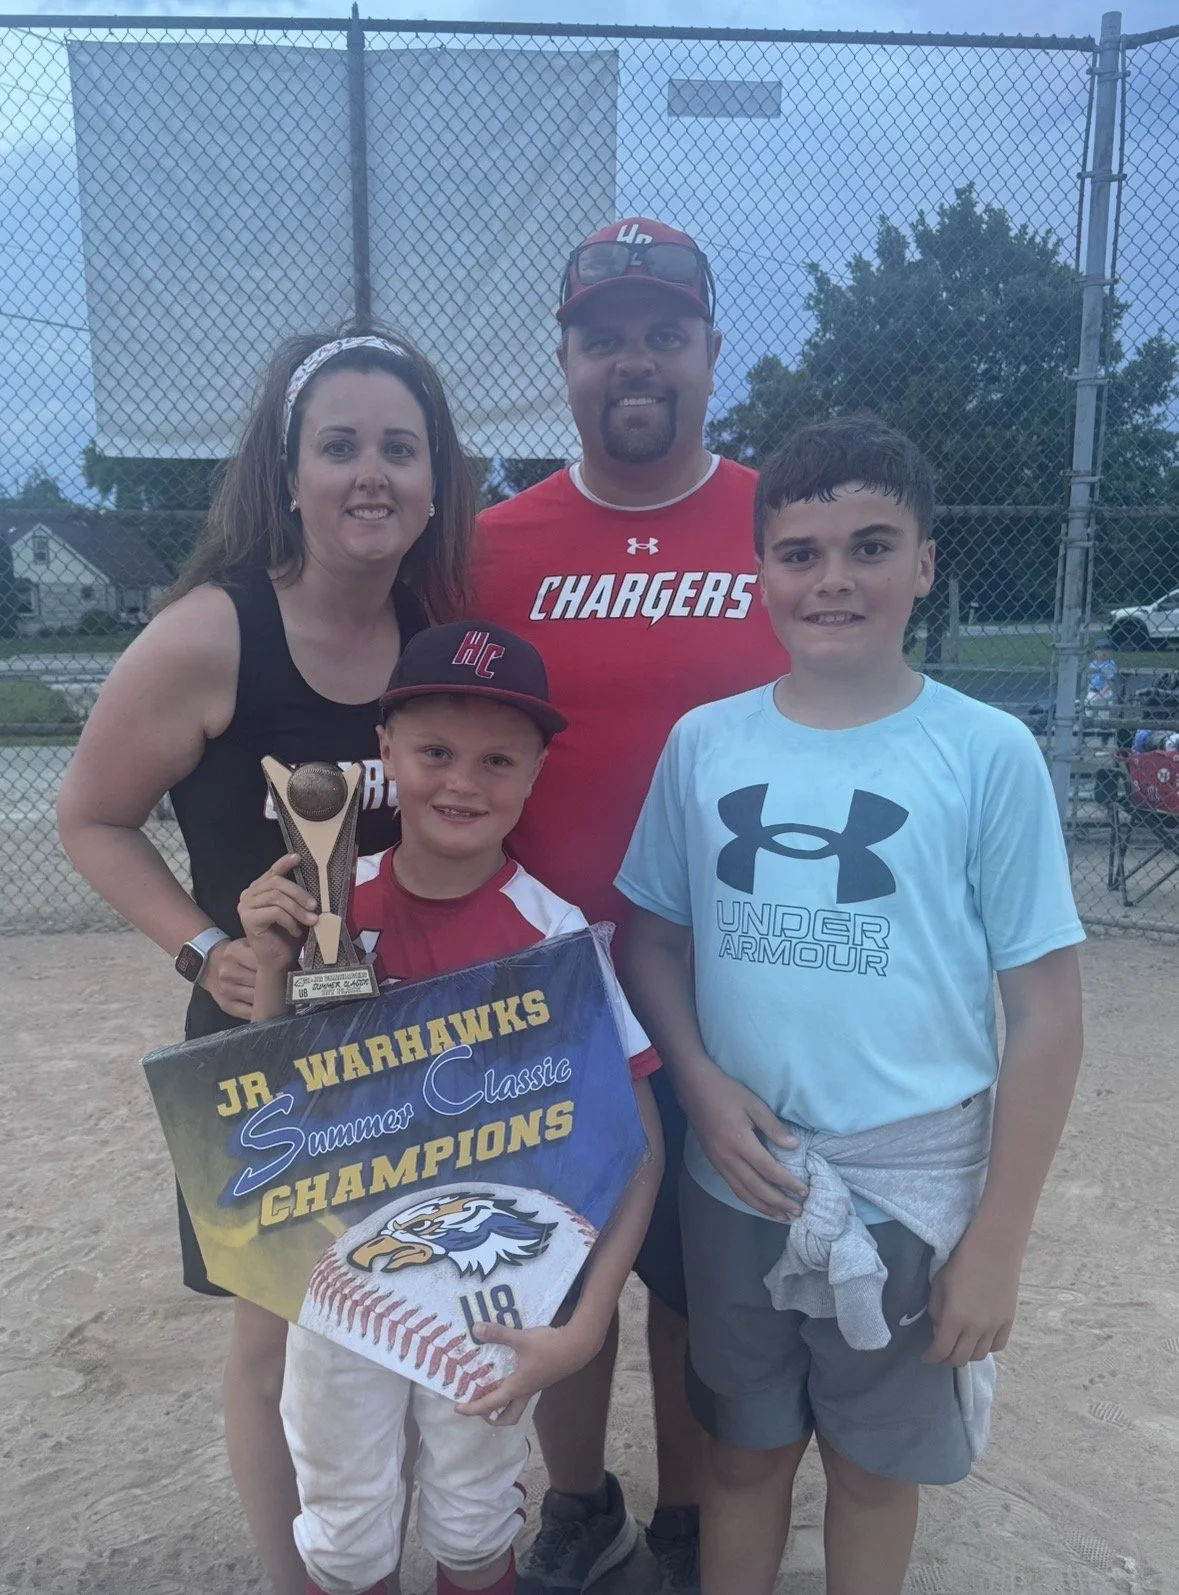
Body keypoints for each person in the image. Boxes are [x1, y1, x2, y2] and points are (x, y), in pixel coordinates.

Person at [615, 416, 1086, 1595]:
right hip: (739, 1181)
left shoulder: (985, 754)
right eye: (801, 551)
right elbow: (653, 943)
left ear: (927, 562)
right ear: (761, 570)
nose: (834, 579)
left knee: (876, 1476)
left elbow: (1046, 1012)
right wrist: (705, 1088)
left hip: (907, 1202)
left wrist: (998, 1243)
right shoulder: (705, 745)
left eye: (872, 546)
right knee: (741, 1454)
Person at [57, 329, 474, 1595]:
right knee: (281, 1336)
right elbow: (91, 814)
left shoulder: (436, 635)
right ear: (286, 473)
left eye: (399, 449)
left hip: (409, 1046)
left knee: (411, 1319)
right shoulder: (212, 632)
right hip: (265, 1044)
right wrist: (205, 948)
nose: (371, 474)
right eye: (338, 445)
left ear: (435, 478)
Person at [474, 217, 786, 1595]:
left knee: (694, 1282)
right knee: (558, 1265)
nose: (634, 361)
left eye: (664, 332)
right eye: (604, 338)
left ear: (712, 354)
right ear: (564, 362)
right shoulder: (490, 543)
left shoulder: (784, 526)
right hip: (549, 987)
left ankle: (680, 1517)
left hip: (741, 983)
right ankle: (580, 1499)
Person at [237, 621, 665, 1595]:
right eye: (435, 751)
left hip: (490, 1279)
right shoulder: (334, 911)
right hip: (342, 1269)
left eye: (497, 758)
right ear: (384, 754)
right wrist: (272, 969)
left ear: (534, 770)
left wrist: (590, 1319)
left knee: (474, 1525)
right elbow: (270, 1108)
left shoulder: (555, 938)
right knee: (344, 1537)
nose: (463, 780)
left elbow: (635, 1145)